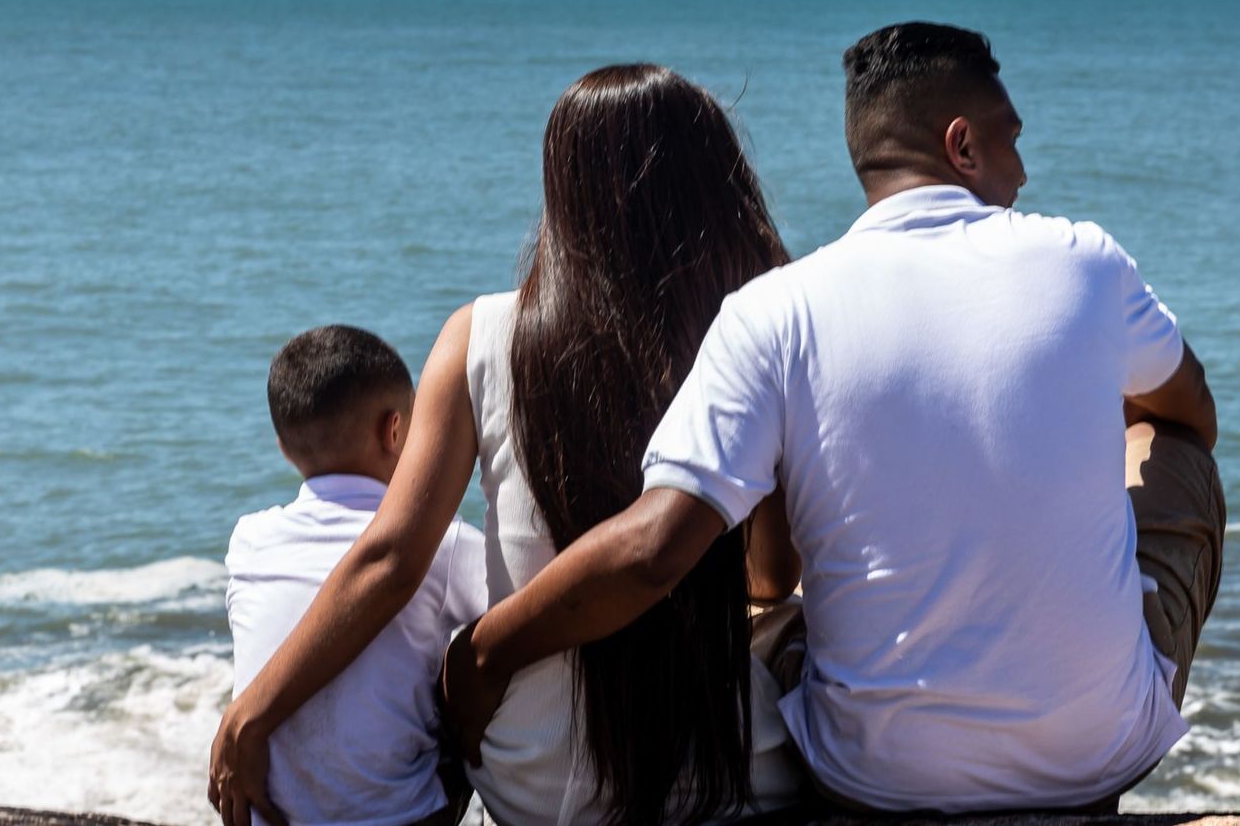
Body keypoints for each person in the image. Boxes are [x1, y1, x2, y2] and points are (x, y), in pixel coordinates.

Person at [444, 22, 1227, 814]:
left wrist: (485, 652)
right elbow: (1191, 409)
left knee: (767, 610)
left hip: (874, 780)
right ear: (961, 145)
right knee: (1177, 450)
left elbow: (654, 550)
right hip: (1095, 754)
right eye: (1010, 140)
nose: (1022, 171)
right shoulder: (1085, 258)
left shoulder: (775, 310)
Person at [209, 65, 803, 826]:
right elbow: (772, 570)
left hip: (534, 779)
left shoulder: (479, 334)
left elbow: (389, 561)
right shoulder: (753, 331)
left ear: (564, 192)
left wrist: (252, 713)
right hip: (731, 773)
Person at [224, 325, 486, 826]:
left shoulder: (249, 540)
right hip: (400, 818)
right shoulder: (447, 544)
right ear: (396, 432)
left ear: (283, 446)